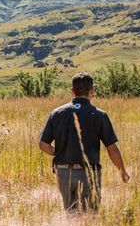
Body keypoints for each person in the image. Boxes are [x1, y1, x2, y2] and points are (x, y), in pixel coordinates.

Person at [39, 72, 129, 212]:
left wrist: (60, 152)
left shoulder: (56, 113)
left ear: (72, 91)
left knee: (70, 213)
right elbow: (112, 148)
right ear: (92, 91)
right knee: (89, 216)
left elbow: (43, 145)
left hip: (63, 172)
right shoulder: (99, 115)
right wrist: (122, 171)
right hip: (88, 173)